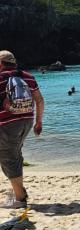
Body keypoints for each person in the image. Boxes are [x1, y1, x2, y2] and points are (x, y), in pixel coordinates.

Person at [0, 50, 44, 209]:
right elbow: (39, 100)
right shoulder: (27, 76)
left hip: (6, 125)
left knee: (8, 158)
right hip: (26, 122)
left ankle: (20, 199)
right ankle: (17, 191)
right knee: (15, 155)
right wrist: (38, 122)